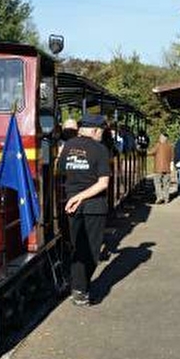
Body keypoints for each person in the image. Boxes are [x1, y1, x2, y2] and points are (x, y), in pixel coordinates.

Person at [58, 113, 110, 306]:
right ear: (96, 130)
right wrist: (82, 196)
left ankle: (76, 286)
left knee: (77, 247)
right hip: (93, 206)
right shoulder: (100, 149)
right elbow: (103, 183)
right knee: (91, 251)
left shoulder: (68, 146)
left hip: (71, 205)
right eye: (101, 132)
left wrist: (75, 195)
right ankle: (80, 290)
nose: (101, 135)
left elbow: (61, 170)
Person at [148, 133, 173, 204]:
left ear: (163, 138)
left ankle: (159, 197)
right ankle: (166, 198)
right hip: (167, 168)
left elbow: (151, 152)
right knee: (166, 184)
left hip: (158, 168)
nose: (159, 138)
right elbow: (172, 157)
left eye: (160, 137)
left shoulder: (158, 145)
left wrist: (143, 152)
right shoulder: (170, 146)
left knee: (157, 183)